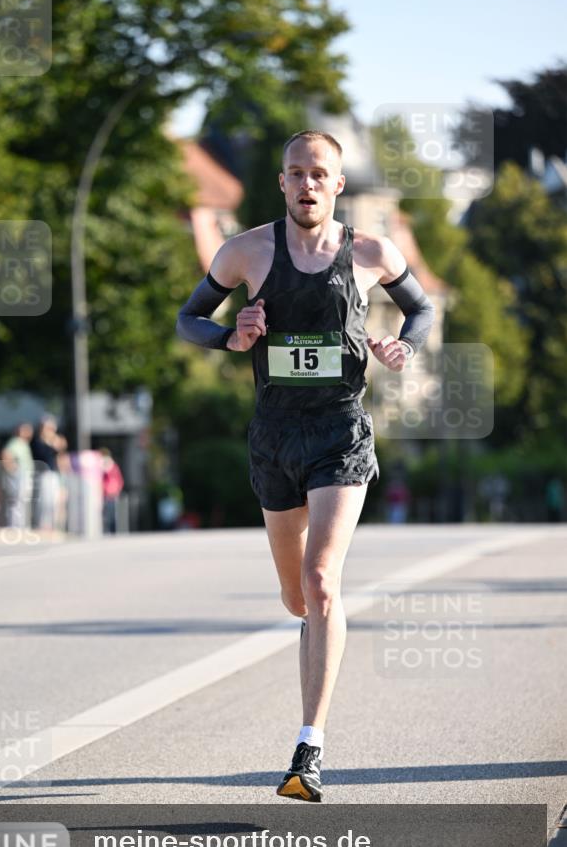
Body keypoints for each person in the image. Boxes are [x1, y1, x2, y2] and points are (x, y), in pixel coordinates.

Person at [176, 129, 435, 802]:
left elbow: (422, 307)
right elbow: (188, 319)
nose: (307, 183)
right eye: (296, 173)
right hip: (273, 437)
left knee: (321, 582)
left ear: (337, 185)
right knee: (297, 598)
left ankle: (308, 749)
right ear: (283, 183)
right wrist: (230, 337)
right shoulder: (245, 252)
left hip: (339, 432)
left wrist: (404, 347)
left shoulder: (371, 252)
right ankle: (313, 629)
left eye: (319, 173)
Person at [100, 448, 124, 533]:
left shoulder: (108, 466)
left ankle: (110, 531)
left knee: (109, 515)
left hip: (109, 493)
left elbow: (119, 480)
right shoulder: (113, 466)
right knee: (109, 514)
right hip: (109, 493)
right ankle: (110, 531)